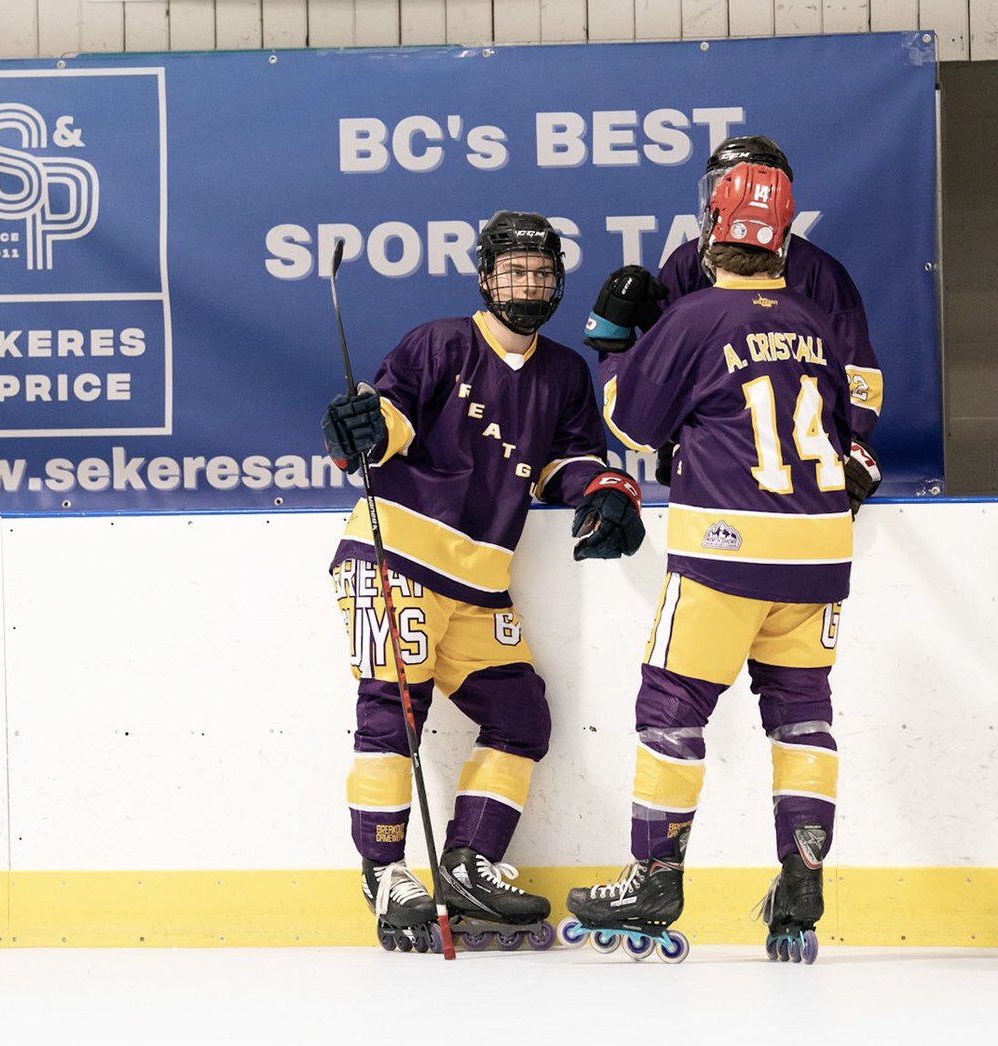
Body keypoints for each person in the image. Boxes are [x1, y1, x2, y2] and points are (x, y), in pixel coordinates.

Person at [321, 210, 645, 951]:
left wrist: (600, 488)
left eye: (541, 272)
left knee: (521, 718)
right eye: (513, 271)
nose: (527, 284)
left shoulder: (564, 372)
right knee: (391, 715)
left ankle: (469, 861)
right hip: (394, 557)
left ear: (558, 282)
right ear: (485, 277)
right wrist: (363, 427)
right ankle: (386, 875)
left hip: (477, 582)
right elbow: (392, 416)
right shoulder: (441, 341)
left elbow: (567, 459)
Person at [564, 163, 851, 964]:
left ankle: (653, 877)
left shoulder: (694, 318)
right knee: (803, 715)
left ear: (709, 230)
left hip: (727, 546)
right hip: (822, 552)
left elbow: (631, 423)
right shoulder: (816, 320)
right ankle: (802, 875)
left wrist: (615, 346)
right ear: (783, 236)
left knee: (671, 705)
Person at [585, 135, 882, 514]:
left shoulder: (820, 276)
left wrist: (614, 349)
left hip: (729, 509)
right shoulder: (685, 263)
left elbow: (858, 377)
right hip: (802, 506)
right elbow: (675, 374)